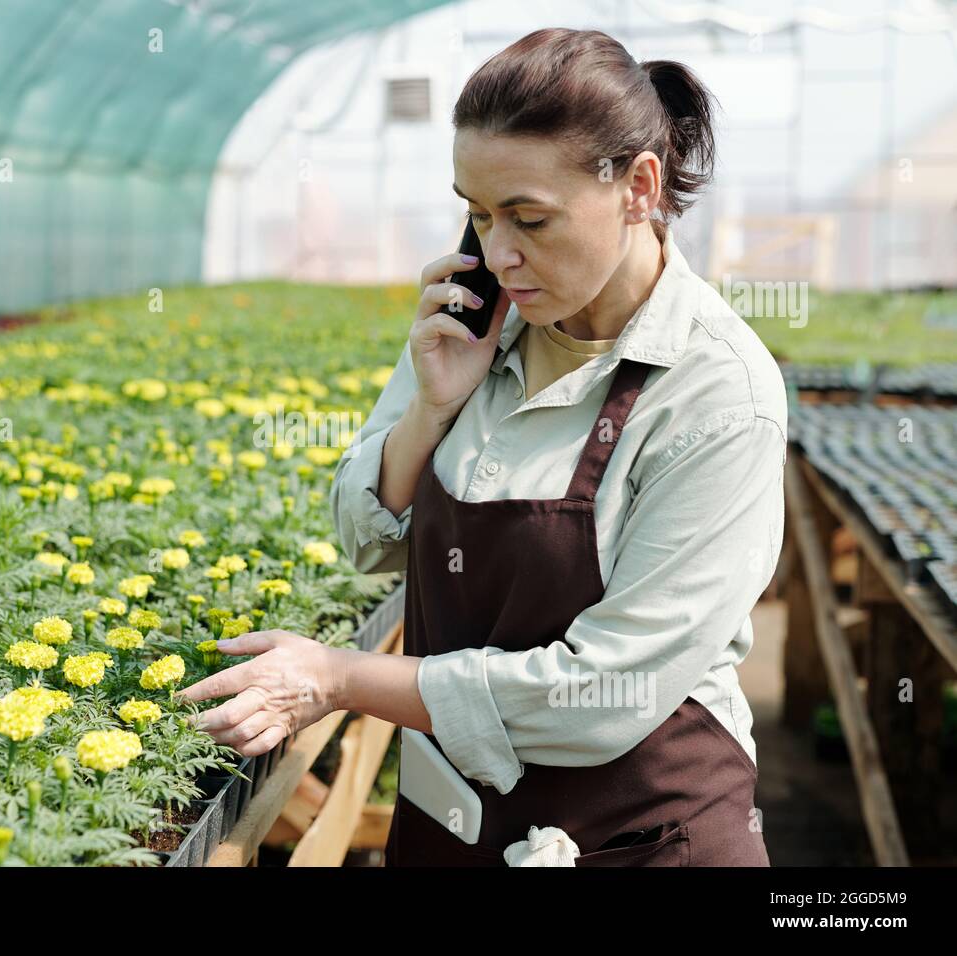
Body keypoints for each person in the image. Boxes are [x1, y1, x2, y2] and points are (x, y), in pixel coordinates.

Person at [177, 27, 785, 866]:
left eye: (531, 218)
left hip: (642, 835)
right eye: (477, 212)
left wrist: (340, 677)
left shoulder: (716, 393)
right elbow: (364, 541)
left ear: (639, 186)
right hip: (454, 824)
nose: (498, 252)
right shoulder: (481, 320)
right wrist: (433, 407)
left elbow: (604, 691)